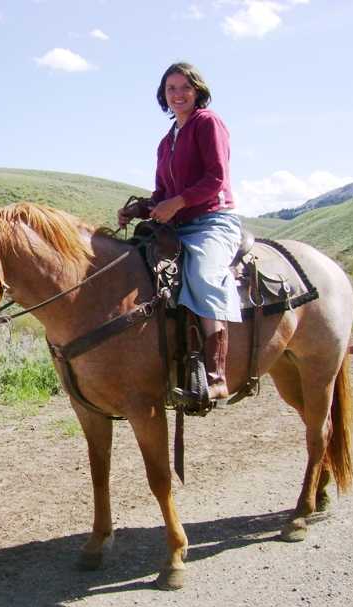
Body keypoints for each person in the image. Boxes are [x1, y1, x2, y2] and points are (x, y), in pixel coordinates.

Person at [117, 62, 241, 406]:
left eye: (184, 87)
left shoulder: (208, 123)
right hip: (175, 225)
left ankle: (216, 377)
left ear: (197, 90)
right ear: (164, 96)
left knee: (202, 274)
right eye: (171, 89)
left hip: (212, 221)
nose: (178, 94)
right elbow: (161, 194)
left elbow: (216, 178)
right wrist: (138, 211)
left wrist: (179, 202)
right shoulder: (166, 141)